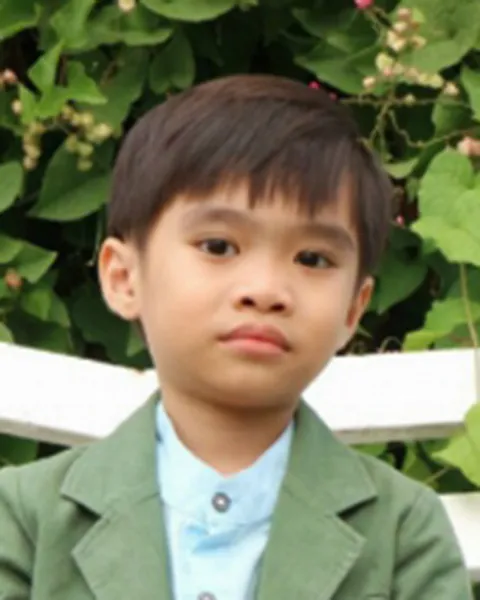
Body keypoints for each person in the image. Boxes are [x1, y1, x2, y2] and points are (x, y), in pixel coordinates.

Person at [0, 74, 472, 600]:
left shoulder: (403, 529)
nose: (266, 291)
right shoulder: (23, 518)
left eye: (312, 259)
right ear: (124, 278)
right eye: (219, 246)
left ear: (352, 310)